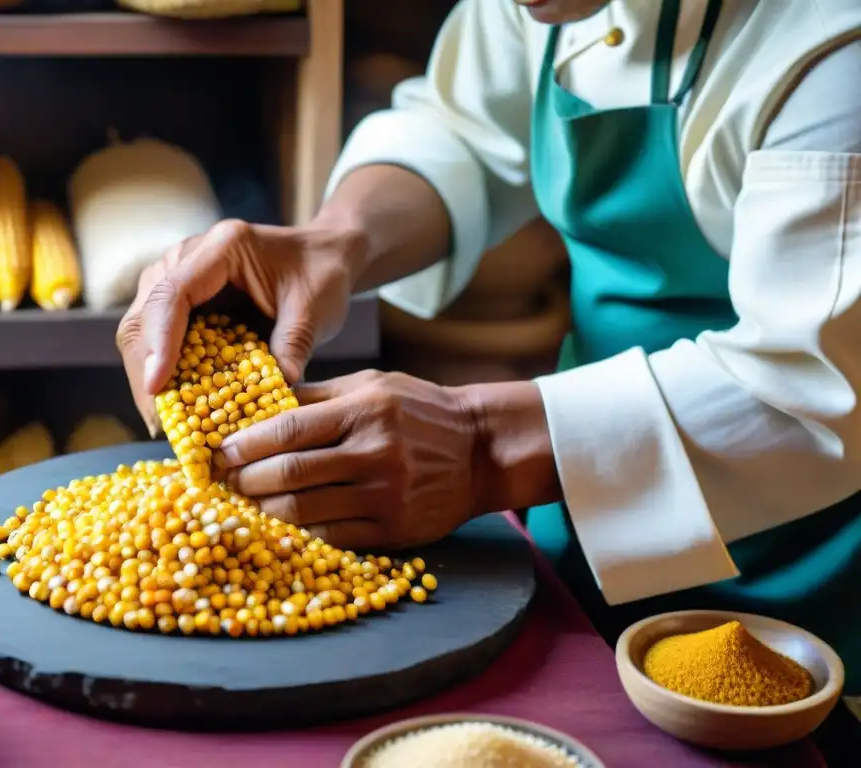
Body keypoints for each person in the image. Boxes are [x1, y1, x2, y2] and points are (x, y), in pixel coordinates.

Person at [118, 0, 861, 724]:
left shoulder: (834, 43)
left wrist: (482, 443)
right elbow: (463, 134)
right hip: (588, 505)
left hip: (808, 573)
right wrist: (334, 240)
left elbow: (813, 384)